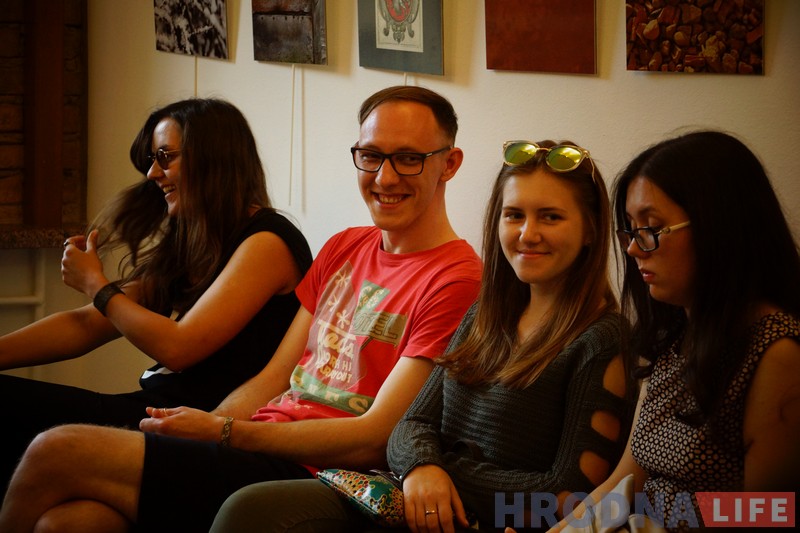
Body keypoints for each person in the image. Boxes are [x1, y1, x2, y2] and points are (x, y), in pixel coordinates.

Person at [0, 85, 482, 532]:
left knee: (56, 448)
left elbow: (374, 437)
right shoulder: (345, 247)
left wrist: (225, 433)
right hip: (253, 441)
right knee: (70, 522)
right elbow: (274, 378)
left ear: (450, 163)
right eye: (371, 156)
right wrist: (205, 432)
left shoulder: (457, 280)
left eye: (409, 159)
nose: (385, 177)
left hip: (315, 472)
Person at [208, 139, 637, 533]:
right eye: (514, 215)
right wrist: (421, 468)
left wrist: (440, 474)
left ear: (590, 230)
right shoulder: (485, 316)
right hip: (411, 497)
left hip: (481, 520)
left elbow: (570, 494)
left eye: (551, 217)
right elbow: (411, 425)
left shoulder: (601, 340)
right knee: (250, 508)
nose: (528, 234)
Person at [0, 98, 312, 496]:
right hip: (153, 408)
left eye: (165, 157)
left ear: (212, 157)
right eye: (152, 160)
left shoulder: (268, 242)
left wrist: (97, 285)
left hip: (196, 428)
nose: (152, 173)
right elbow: (86, 323)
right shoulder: (194, 240)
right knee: (61, 522)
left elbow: (179, 348)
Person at [551, 130, 800, 532]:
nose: (633, 249)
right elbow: (624, 485)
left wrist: (666, 516)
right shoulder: (675, 338)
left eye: (651, 229)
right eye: (631, 230)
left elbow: (766, 515)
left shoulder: (777, 354)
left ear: (720, 226)